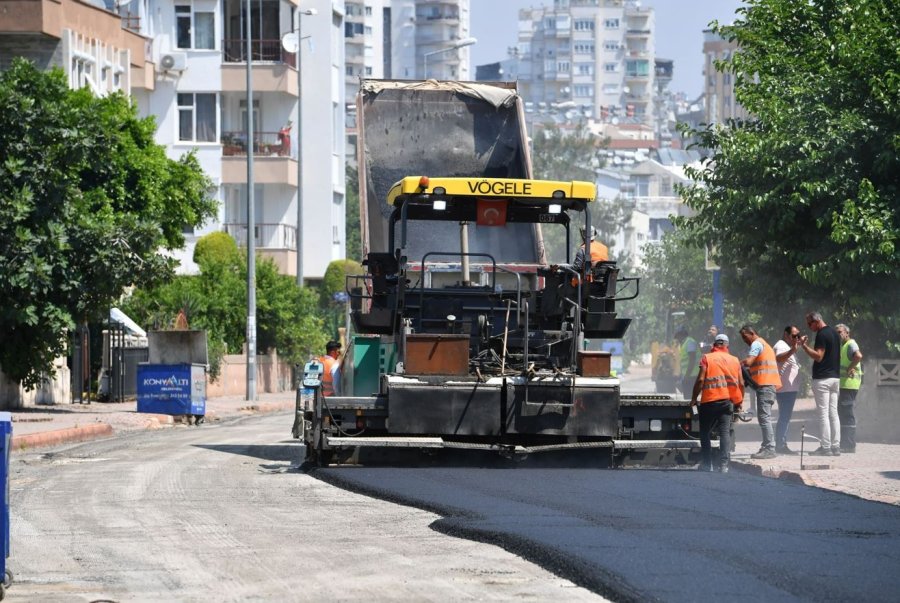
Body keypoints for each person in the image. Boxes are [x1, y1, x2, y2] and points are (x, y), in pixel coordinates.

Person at [692, 333, 744, 473]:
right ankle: (724, 465)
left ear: (714, 344)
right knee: (724, 432)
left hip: (709, 401)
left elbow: (701, 380)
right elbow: (741, 383)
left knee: (704, 432)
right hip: (727, 402)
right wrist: (739, 402)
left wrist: (693, 398)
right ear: (727, 345)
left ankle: (707, 464)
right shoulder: (735, 360)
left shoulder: (707, 358)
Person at [799, 312, 841, 456]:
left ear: (817, 321)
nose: (809, 327)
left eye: (810, 324)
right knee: (834, 413)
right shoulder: (835, 333)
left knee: (823, 414)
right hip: (835, 378)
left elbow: (818, 356)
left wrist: (804, 347)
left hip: (823, 378)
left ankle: (826, 447)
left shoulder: (822, 334)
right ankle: (836, 446)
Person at [739, 325, 783, 459]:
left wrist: (736, 363)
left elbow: (749, 361)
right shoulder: (765, 344)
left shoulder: (757, 344)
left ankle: (769, 448)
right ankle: (766, 446)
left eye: (745, 337)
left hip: (765, 385)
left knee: (764, 418)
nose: (744, 341)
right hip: (767, 385)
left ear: (752, 333)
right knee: (764, 417)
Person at [772, 325, 802, 454]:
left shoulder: (788, 347)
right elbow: (779, 358)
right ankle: (781, 444)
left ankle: (781, 443)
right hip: (785, 389)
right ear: (786, 334)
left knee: (785, 416)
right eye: (794, 335)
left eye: (798, 335)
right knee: (784, 416)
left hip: (789, 388)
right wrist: (793, 350)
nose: (797, 338)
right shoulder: (781, 345)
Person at [835, 323, 863, 453]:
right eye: (837, 332)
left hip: (850, 384)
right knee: (843, 412)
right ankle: (845, 443)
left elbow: (858, 356)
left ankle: (849, 445)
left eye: (840, 332)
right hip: (845, 384)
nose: (838, 334)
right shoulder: (843, 346)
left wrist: (850, 367)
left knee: (847, 413)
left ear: (847, 333)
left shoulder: (851, 344)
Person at [675, 328, 699, 400]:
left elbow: (692, 360)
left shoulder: (689, 342)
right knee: (687, 398)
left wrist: (687, 375)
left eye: (678, 336)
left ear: (682, 335)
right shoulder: (684, 343)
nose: (677, 339)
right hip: (688, 375)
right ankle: (689, 411)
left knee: (690, 399)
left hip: (692, 376)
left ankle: (693, 411)